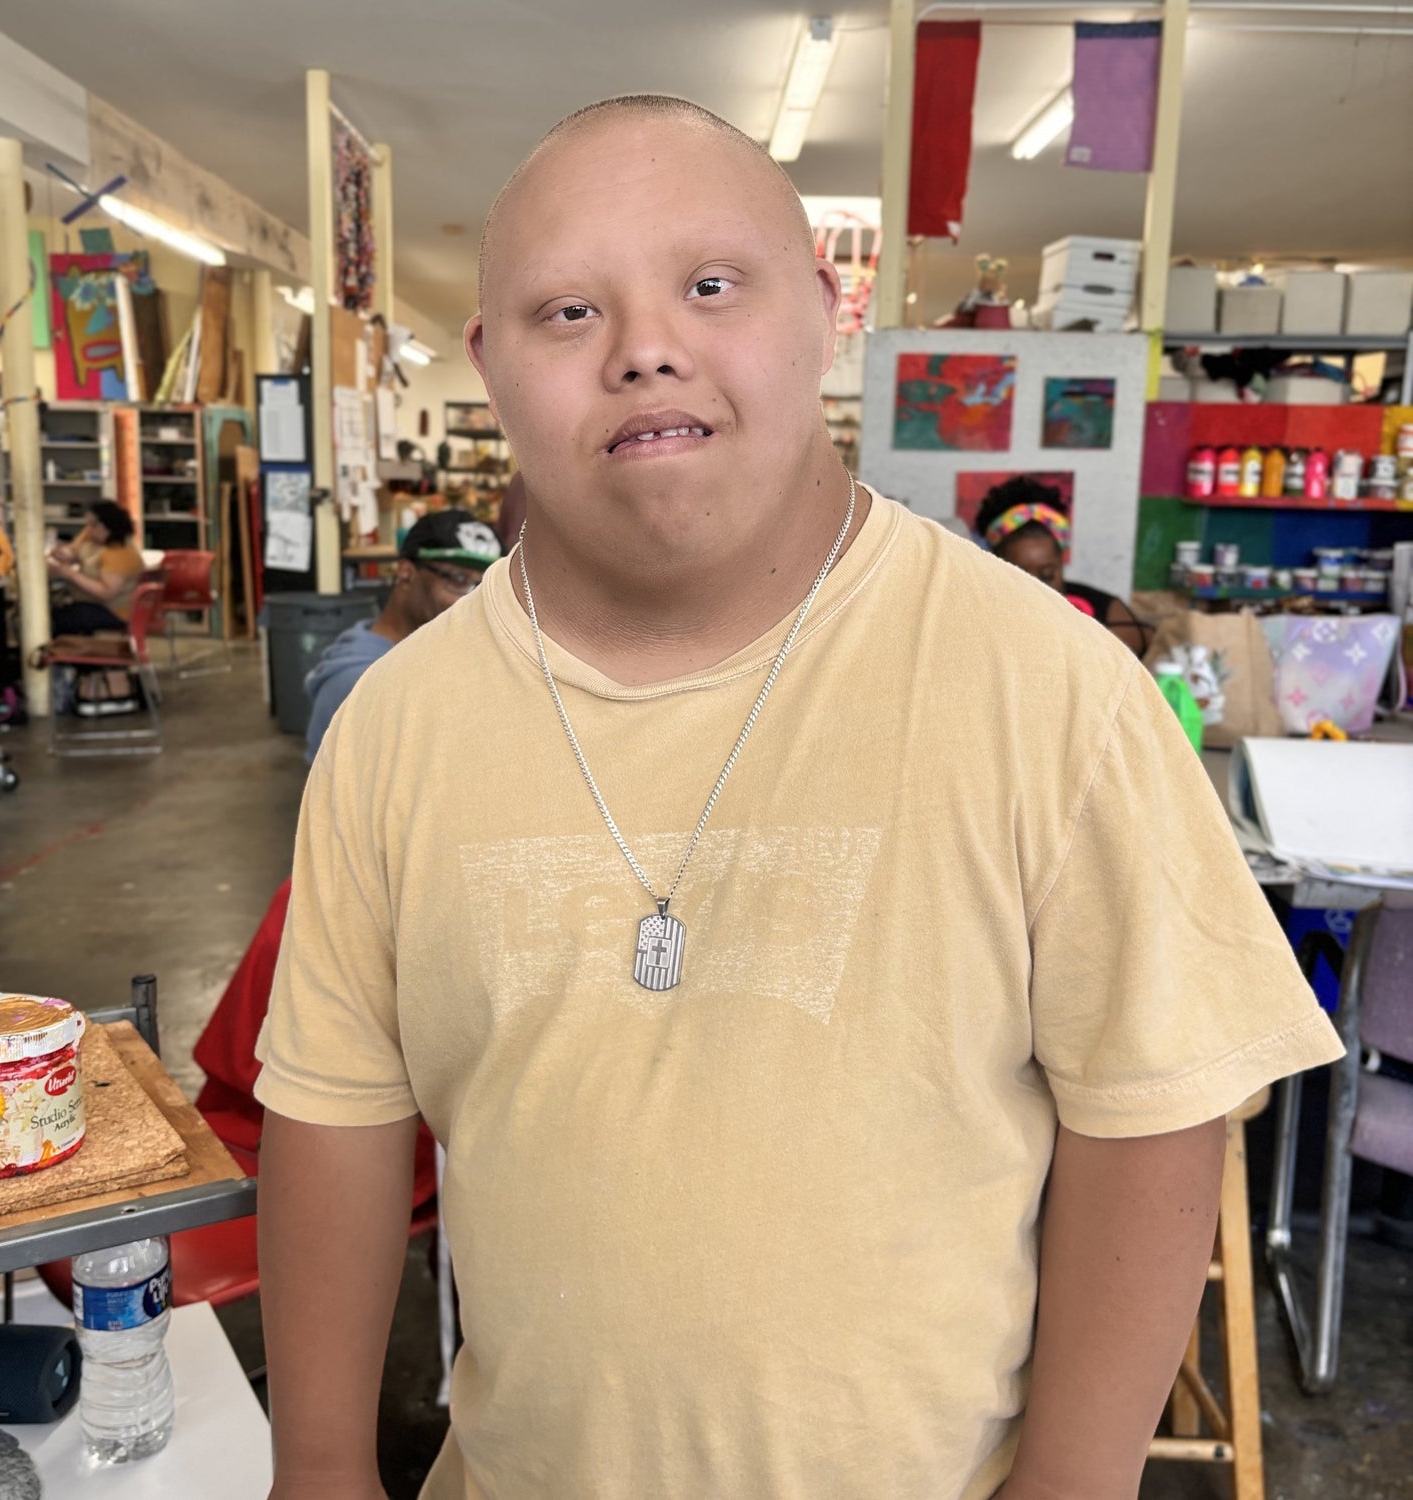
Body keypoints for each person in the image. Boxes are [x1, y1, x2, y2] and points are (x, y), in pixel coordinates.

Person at [256, 96, 1342, 1500]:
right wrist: (322, 1468)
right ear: (489, 370)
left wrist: (1071, 1485)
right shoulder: (397, 728)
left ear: (827, 315)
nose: (647, 347)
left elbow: (1151, 1115)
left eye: (711, 286)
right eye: (566, 312)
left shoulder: (1044, 689)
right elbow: (337, 1113)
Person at [302, 509, 500, 762]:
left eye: (483, 586)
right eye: (458, 579)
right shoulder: (357, 683)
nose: (473, 600)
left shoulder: (438, 651)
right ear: (406, 572)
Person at [976, 475, 1152, 657]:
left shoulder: (1104, 612)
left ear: (1061, 562)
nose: (1038, 589)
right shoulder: (973, 617)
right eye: (1020, 576)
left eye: (1046, 574)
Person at [45, 501, 144, 635]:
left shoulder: (120, 552)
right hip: (88, 602)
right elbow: (75, 552)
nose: (88, 529)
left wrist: (70, 575)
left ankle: (61, 651)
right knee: (52, 611)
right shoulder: (92, 536)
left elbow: (106, 593)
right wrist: (63, 554)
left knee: (53, 620)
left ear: (109, 527)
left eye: (93, 525)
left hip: (113, 611)